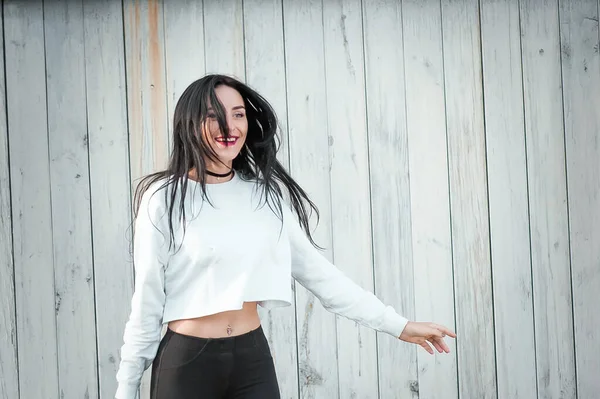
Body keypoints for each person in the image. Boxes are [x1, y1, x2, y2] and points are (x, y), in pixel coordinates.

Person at [115, 74, 456, 399]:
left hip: (251, 359)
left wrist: (398, 325)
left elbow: (322, 277)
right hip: (189, 364)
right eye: (214, 116)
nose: (229, 127)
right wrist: (126, 389)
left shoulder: (266, 197)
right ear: (190, 123)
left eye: (238, 115)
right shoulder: (164, 197)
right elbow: (146, 301)